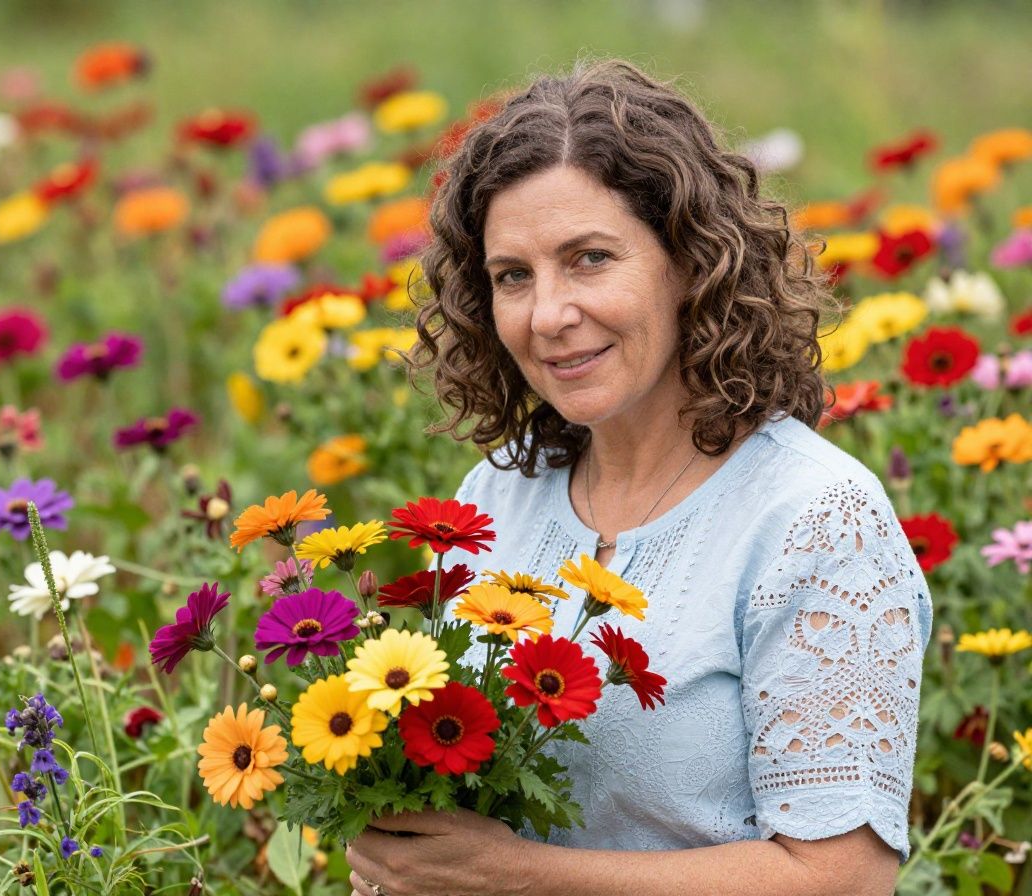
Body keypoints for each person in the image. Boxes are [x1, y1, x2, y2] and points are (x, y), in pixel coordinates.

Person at [346, 59, 932, 896]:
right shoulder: (494, 498)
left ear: (693, 263)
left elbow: (842, 880)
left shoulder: (814, 520)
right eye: (513, 275)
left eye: (589, 259)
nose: (548, 315)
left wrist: (511, 876)